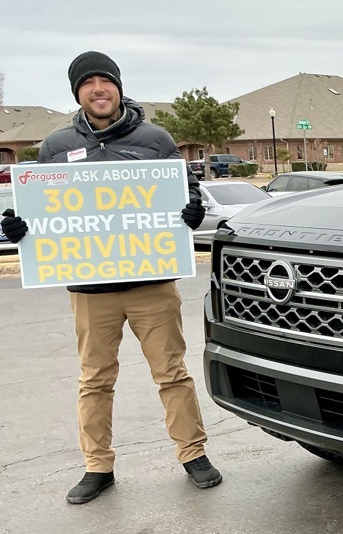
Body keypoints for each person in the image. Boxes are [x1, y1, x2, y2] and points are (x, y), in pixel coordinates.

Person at [0, 51, 220, 504]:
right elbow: (40, 208)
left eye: (106, 81)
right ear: (77, 92)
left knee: (172, 373)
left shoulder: (155, 138)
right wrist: (21, 227)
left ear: (118, 87)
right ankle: (97, 466)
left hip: (152, 284)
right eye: (88, 83)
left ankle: (192, 453)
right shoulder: (56, 146)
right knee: (95, 380)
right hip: (90, 289)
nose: (98, 89)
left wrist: (191, 211)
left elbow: (186, 193)